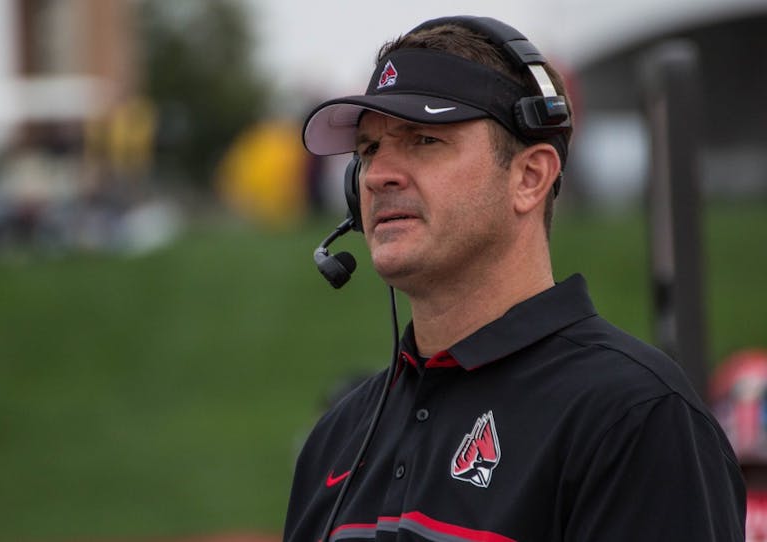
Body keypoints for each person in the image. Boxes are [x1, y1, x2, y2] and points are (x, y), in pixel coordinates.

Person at [284, 15, 746, 542]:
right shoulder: (337, 437)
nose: (379, 175)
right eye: (368, 151)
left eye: (424, 140)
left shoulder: (636, 419)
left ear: (529, 178)